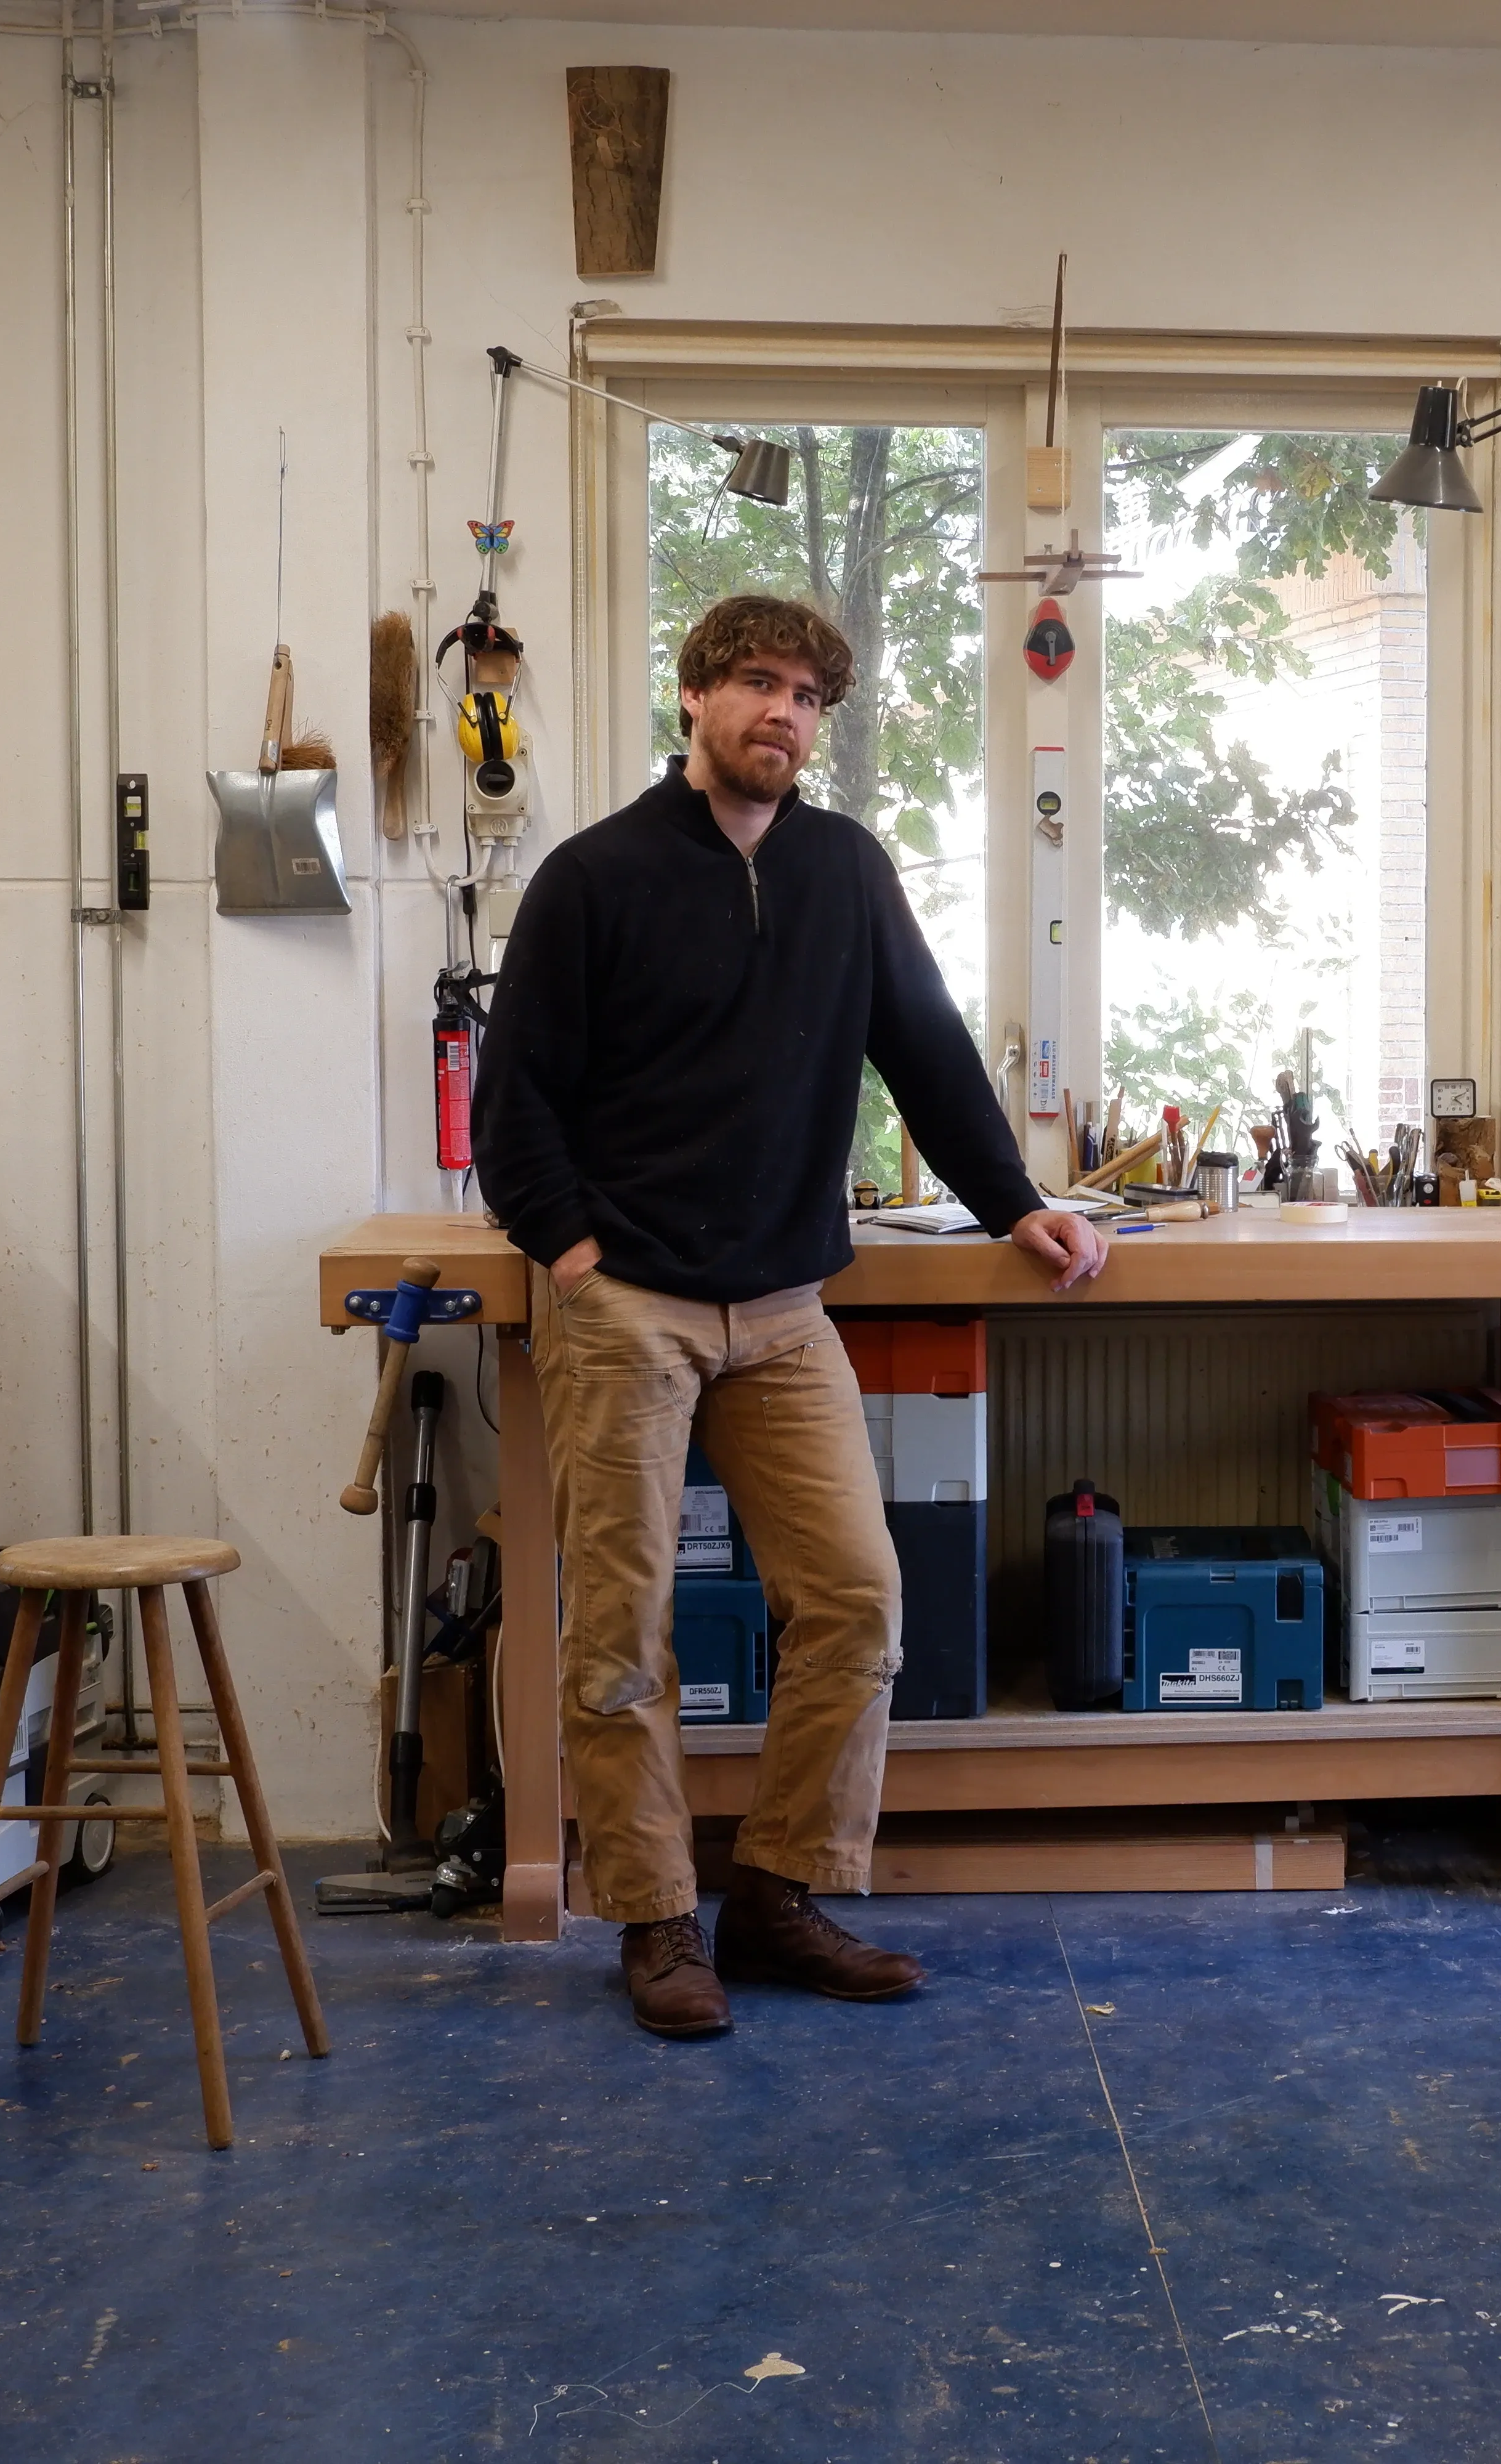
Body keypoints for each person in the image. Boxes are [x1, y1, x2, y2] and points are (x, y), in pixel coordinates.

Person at [472, 592, 1108, 2038]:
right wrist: (573, 1254)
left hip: (782, 1303)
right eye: (758, 682)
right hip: (626, 1303)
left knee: (858, 1599)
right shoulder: (593, 876)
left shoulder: (843, 869)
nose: (784, 712)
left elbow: (926, 1048)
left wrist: (1015, 1202)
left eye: (810, 695)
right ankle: (653, 1917)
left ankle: (776, 1891)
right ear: (695, 696)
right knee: (622, 1633)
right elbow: (516, 1106)